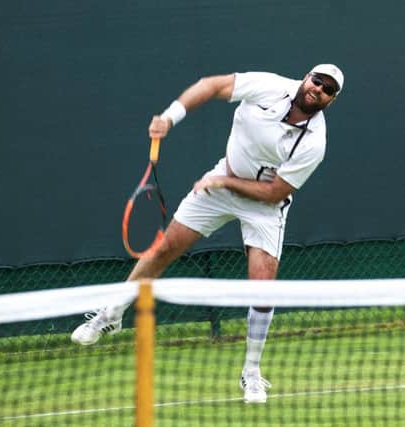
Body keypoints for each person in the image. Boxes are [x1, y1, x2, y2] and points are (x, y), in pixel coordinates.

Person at [71, 64, 344, 404]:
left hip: (263, 204)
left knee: (263, 289)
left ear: (331, 100)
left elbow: (275, 192)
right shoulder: (269, 86)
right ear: (307, 77)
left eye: (328, 89)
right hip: (221, 181)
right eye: (317, 80)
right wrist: (170, 117)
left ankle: (252, 372)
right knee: (165, 248)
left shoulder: (314, 141)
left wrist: (224, 182)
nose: (318, 89)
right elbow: (212, 85)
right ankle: (111, 314)